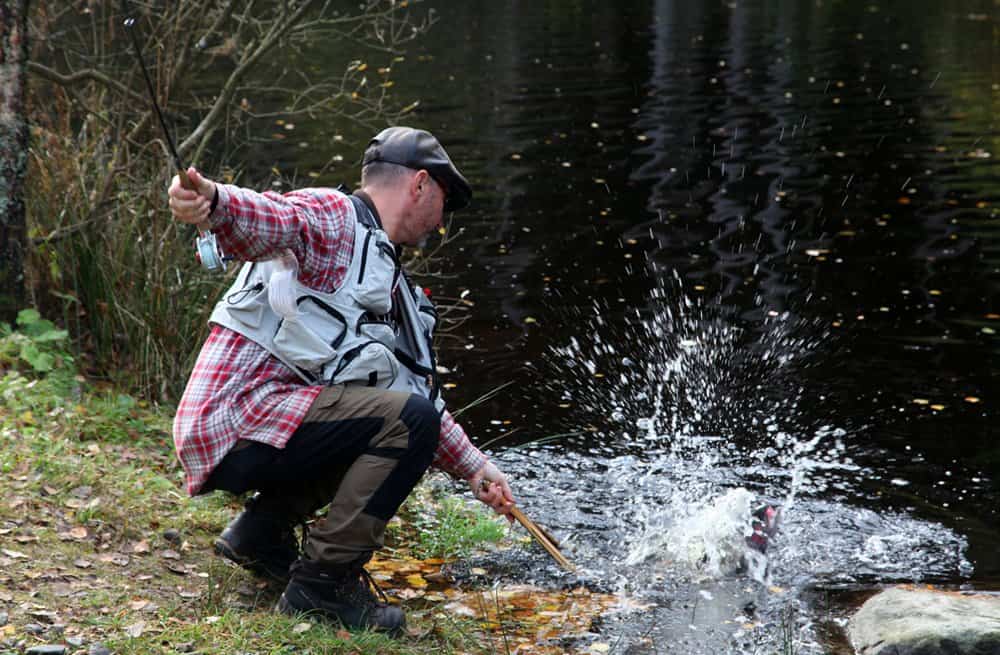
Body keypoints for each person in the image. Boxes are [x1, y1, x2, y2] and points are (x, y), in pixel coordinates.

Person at [167, 126, 516, 635]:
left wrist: (478, 471)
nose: (442, 222)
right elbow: (272, 218)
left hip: (271, 427)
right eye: (444, 201)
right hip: (233, 419)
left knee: (394, 416)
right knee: (402, 422)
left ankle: (259, 536)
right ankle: (322, 586)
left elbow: (416, 395)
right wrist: (212, 200)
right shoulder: (335, 218)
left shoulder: (386, 278)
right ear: (419, 184)